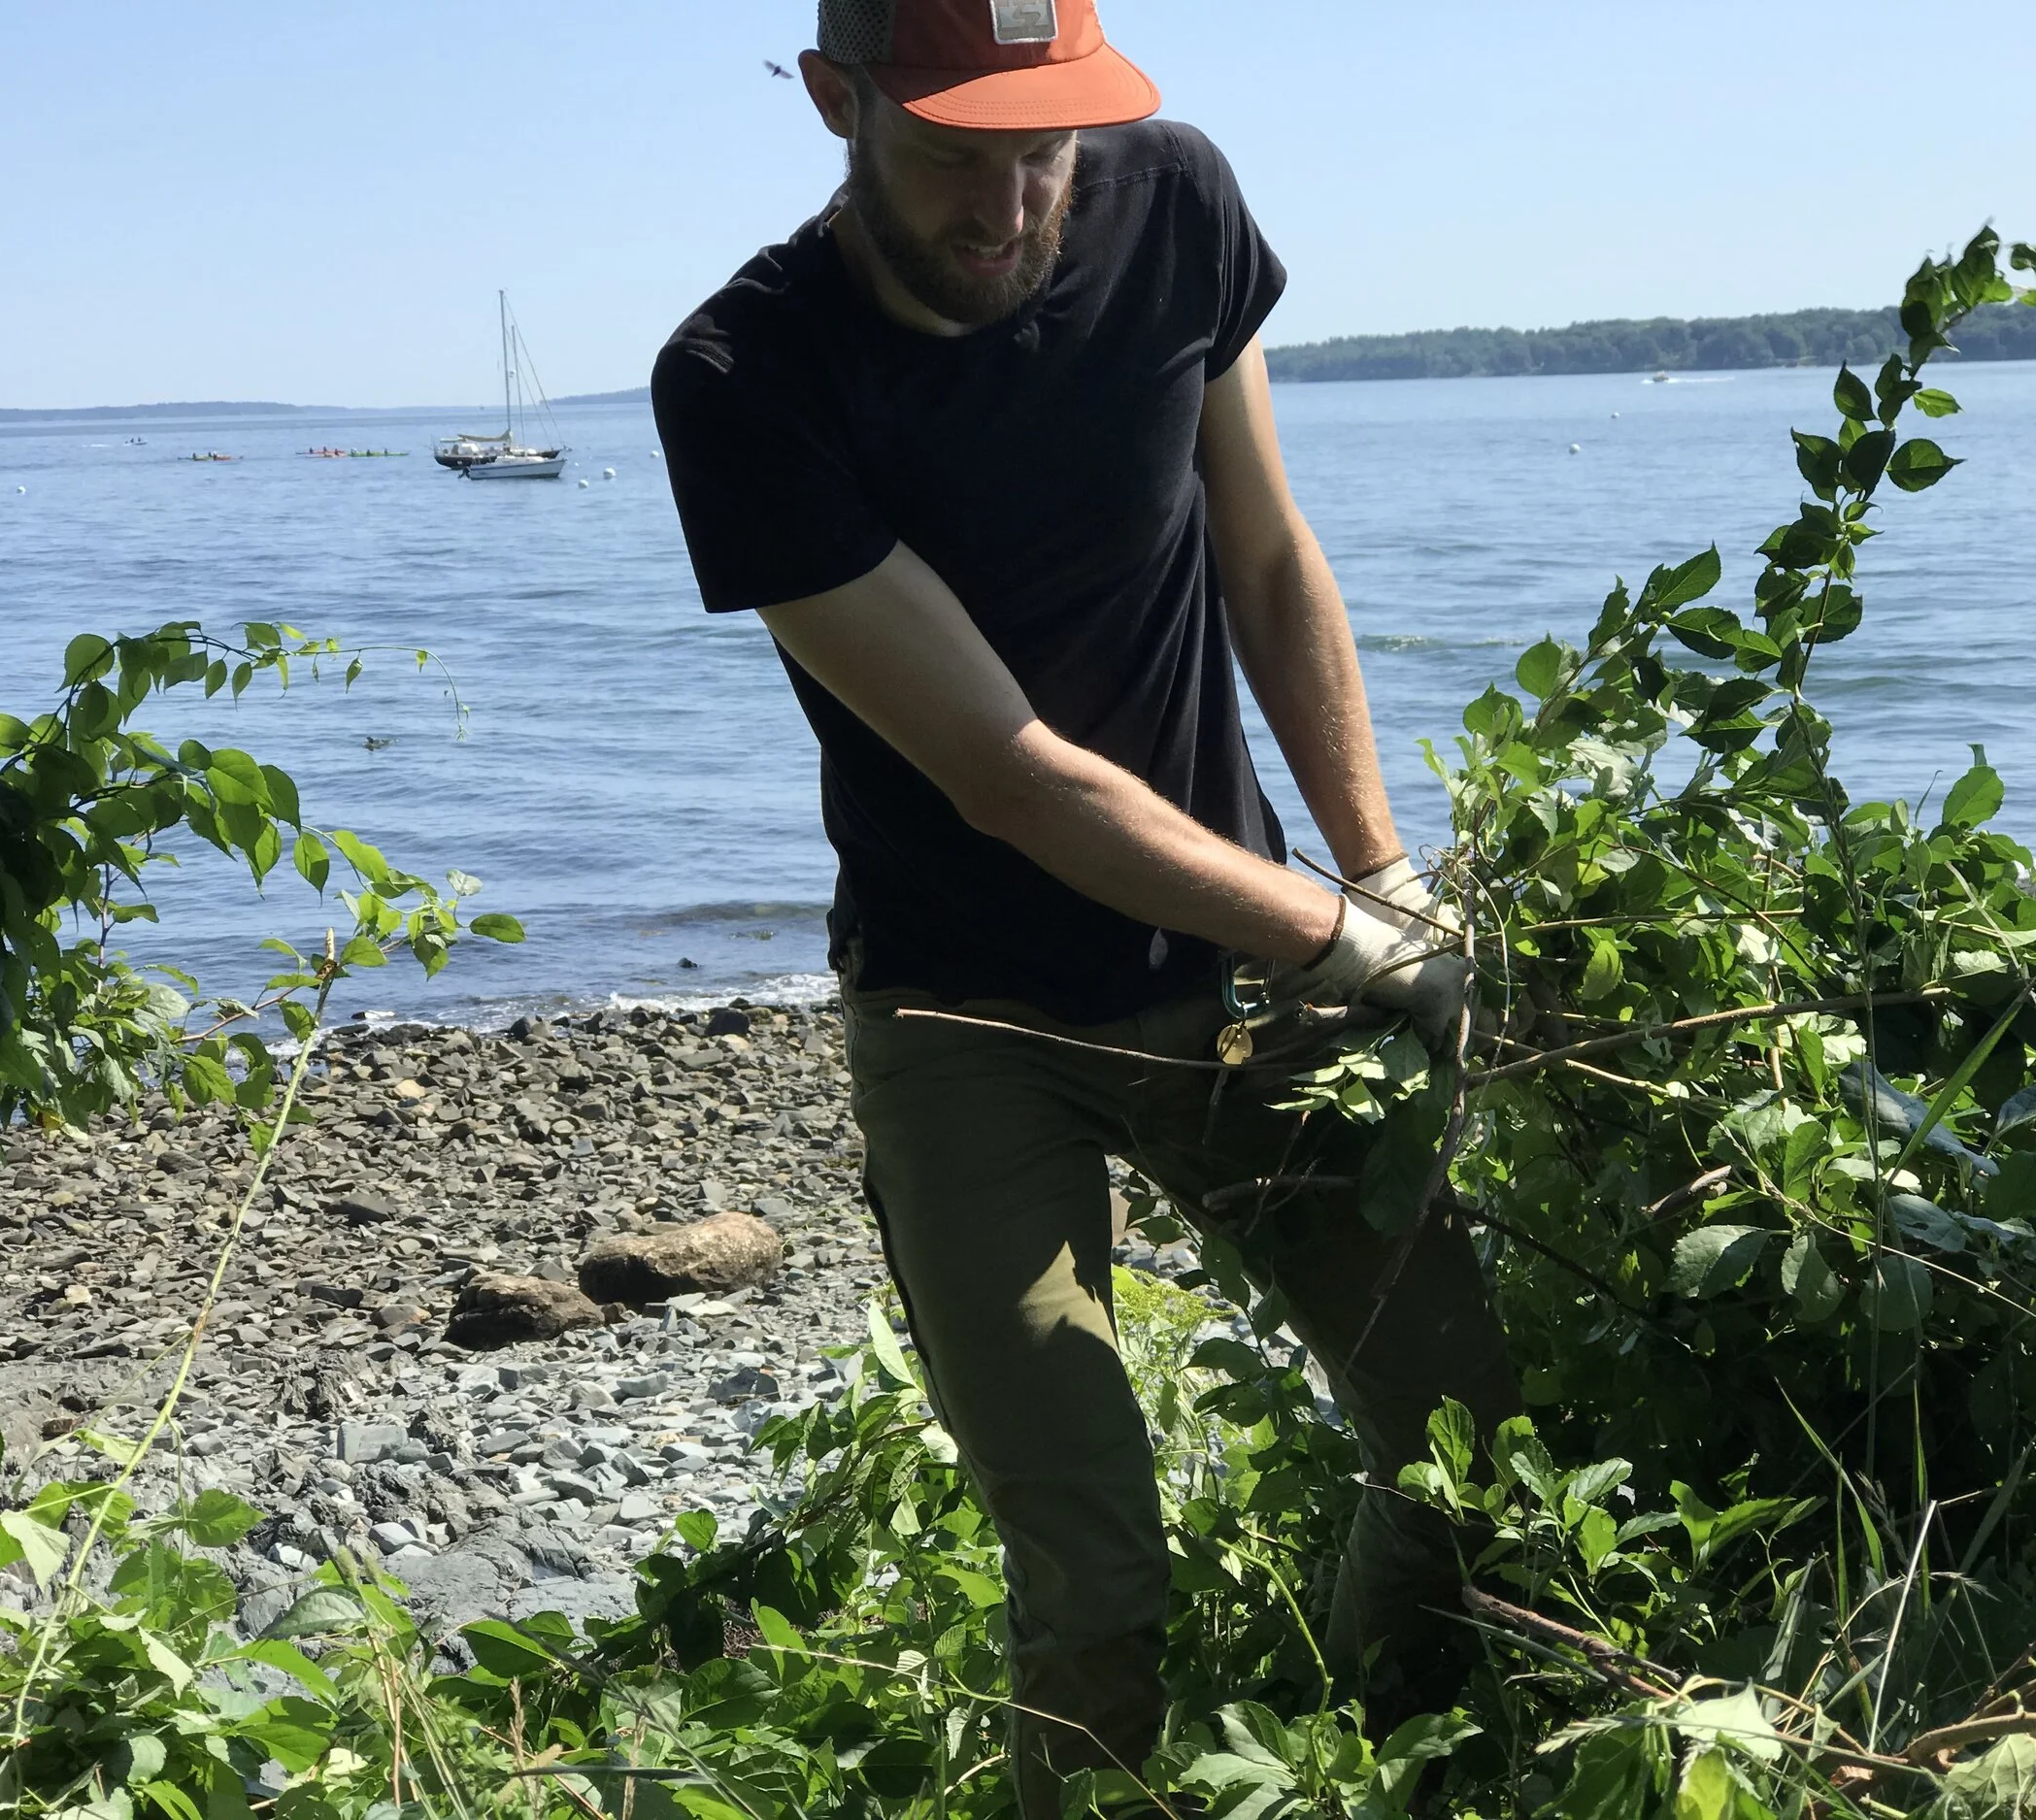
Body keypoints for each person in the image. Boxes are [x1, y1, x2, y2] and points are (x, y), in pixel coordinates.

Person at [651, 3, 1518, 1810]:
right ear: (836, 100)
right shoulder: (744, 377)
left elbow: (1269, 555)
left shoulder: (1176, 204)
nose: (1012, 204)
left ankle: (1380, 1760)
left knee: (1466, 1445)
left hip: (1246, 969)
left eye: (1042, 150)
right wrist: (1335, 936)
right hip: (967, 1027)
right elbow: (1013, 771)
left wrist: (1383, 871)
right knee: (1097, 1583)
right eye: (955, 153)